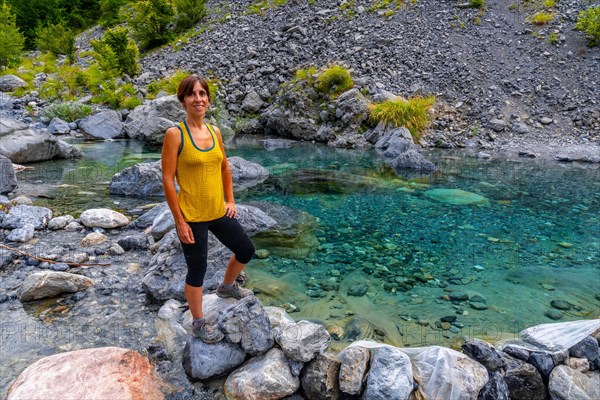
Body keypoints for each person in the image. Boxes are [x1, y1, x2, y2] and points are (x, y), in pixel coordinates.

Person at [161, 74, 255, 342]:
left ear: (208, 100)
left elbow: (224, 167)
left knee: (246, 250)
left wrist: (230, 200)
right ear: (183, 101)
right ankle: (199, 323)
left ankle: (226, 287)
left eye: (202, 94)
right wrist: (179, 221)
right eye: (192, 94)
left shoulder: (214, 131)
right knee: (197, 271)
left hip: (218, 211)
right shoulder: (175, 134)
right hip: (192, 216)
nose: (198, 99)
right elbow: (168, 179)